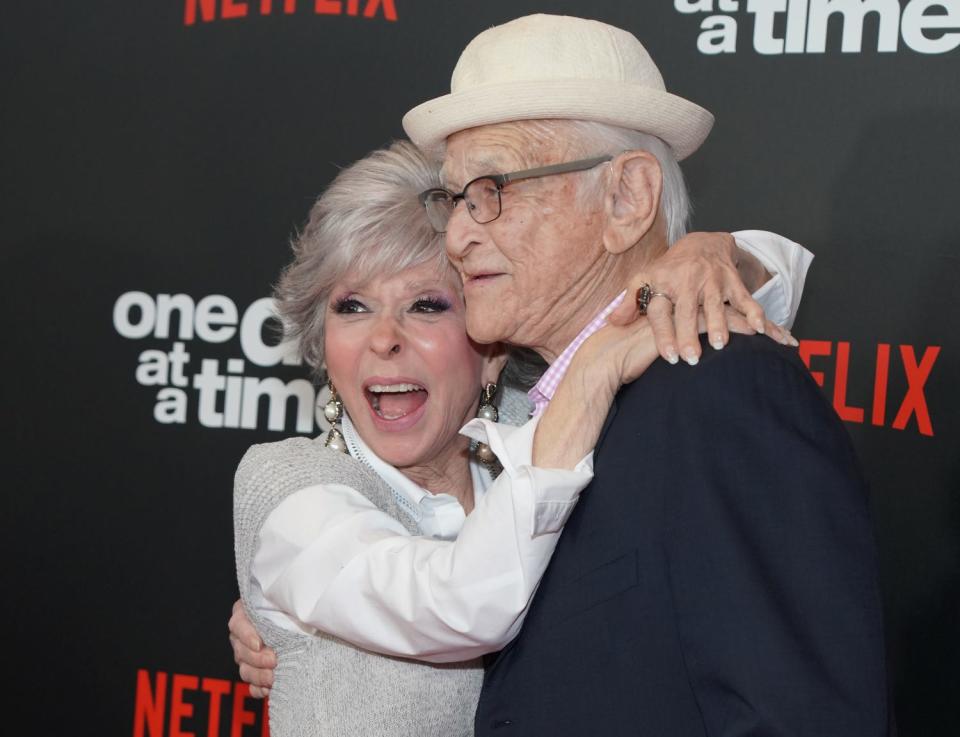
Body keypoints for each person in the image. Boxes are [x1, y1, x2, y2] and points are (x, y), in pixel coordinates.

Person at [397, 14, 887, 736]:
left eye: (493, 188)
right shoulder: (519, 399)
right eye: (454, 197)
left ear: (627, 199)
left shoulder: (722, 394)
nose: (459, 233)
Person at [231, 137, 811, 735]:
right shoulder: (287, 488)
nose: (384, 340)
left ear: (492, 349)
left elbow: (753, 299)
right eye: (352, 307)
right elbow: (460, 603)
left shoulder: (533, 429)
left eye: (427, 305)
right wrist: (592, 371)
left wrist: (715, 254)